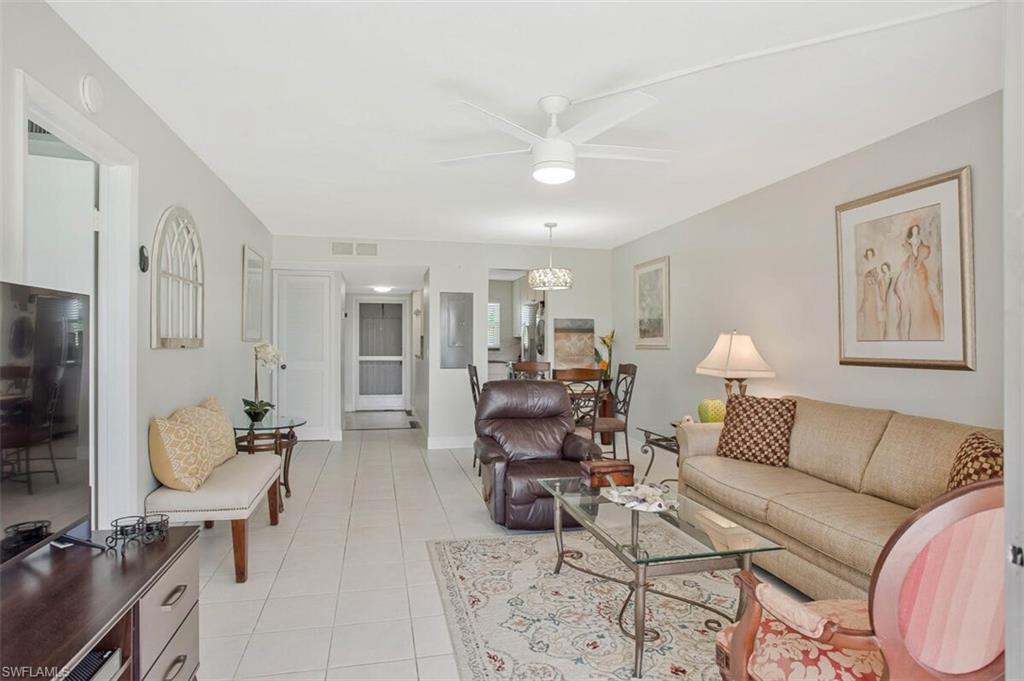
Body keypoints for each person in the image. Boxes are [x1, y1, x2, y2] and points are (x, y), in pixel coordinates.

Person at [894, 224, 943, 340]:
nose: (915, 231)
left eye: (917, 230)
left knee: (923, 291)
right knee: (906, 287)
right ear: (911, 231)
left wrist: (919, 259)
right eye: (914, 230)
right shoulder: (908, 241)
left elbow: (925, 252)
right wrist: (912, 257)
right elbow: (907, 253)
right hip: (910, 266)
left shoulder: (921, 241)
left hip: (920, 267)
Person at [858, 248, 885, 340]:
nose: (869, 256)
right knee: (867, 309)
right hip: (867, 288)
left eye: (870, 254)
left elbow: (877, 277)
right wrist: (867, 278)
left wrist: (873, 280)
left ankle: (874, 334)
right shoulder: (865, 265)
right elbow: (862, 274)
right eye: (867, 254)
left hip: (873, 290)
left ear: (872, 255)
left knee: (874, 311)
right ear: (866, 255)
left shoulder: (874, 265)